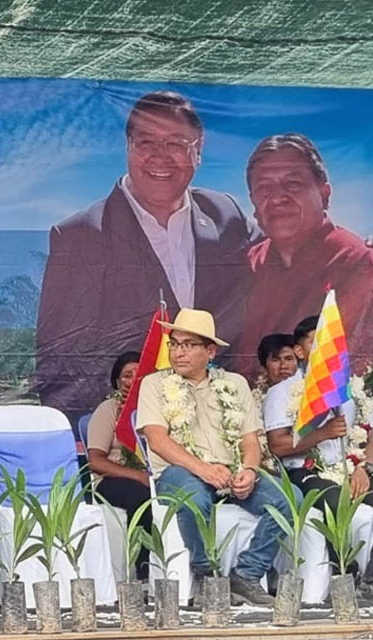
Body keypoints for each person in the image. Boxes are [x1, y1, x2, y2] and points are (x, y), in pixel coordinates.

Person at [37, 91, 256, 417]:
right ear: (128, 147)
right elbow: (60, 359)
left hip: (216, 419)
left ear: (198, 149)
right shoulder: (80, 235)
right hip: (128, 428)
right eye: (147, 143)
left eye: (175, 144)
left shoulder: (226, 214)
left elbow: (285, 259)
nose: (160, 157)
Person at [137, 308, 291, 606]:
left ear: (210, 351)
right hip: (179, 471)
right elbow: (156, 440)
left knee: (289, 500)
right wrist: (204, 470)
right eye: (174, 343)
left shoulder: (234, 384)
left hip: (231, 471)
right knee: (195, 498)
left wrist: (249, 469)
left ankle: (246, 574)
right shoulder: (154, 385)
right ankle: (207, 575)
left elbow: (250, 439)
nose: (178, 352)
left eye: (188, 345)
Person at [239, 134, 373, 371]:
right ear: (253, 202)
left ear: (324, 194)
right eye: (265, 188)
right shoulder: (251, 263)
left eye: (293, 184)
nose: (278, 198)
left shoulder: (358, 263)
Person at [263, 315, 373, 599]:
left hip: (350, 471)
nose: (327, 346)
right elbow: (278, 445)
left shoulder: (351, 389)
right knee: (342, 506)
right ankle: (348, 576)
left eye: (332, 340)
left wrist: (363, 466)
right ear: (300, 351)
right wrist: (321, 433)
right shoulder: (282, 392)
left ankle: (369, 580)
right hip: (305, 473)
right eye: (316, 340)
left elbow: (366, 434)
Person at [84, 351, 151, 580]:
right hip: (112, 479)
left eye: (139, 374)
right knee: (141, 497)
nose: (133, 380)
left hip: (154, 475)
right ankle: (143, 569)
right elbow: (96, 461)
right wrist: (137, 475)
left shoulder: (157, 410)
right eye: (126, 375)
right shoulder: (108, 410)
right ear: (117, 381)